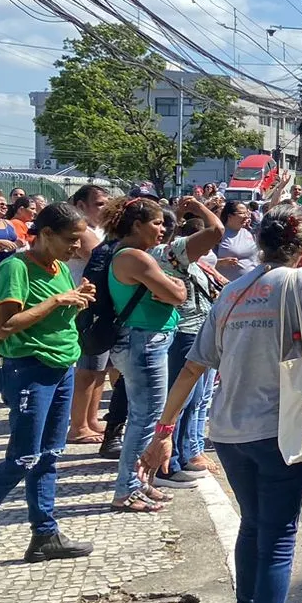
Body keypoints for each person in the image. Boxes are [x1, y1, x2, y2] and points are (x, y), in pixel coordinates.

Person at [142, 205, 302, 603]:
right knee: (279, 535)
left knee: (252, 525)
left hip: (227, 431)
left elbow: (193, 367)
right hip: (279, 429)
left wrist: (164, 430)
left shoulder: (231, 291)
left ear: (260, 244)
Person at [0, 203, 96, 562]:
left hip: (61, 368)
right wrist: (57, 301)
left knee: (49, 456)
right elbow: (5, 326)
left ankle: (45, 535)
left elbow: (55, 315)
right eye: (71, 240)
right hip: (29, 369)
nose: (76, 247)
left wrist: (77, 299)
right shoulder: (16, 267)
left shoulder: (59, 268)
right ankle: (44, 533)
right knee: (22, 458)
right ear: (47, 234)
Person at [104, 197, 190, 514]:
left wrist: (173, 287)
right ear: (137, 225)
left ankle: (140, 482)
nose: (163, 228)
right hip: (143, 341)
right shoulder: (135, 258)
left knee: (146, 415)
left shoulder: (132, 256)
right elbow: (177, 294)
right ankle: (126, 488)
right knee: (144, 418)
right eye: (156, 222)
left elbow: (173, 293)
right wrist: (175, 285)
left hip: (146, 339)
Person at [153, 202, 227, 489]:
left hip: (197, 331)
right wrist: (197, 206)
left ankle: (183, 456)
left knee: (195, 400)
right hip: (185, 332)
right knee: (181, 401)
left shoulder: (179, 259)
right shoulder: (168, 254)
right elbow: (216, 230)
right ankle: (166, 466)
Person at [66, 185, 111, 445]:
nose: (104, 209)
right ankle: (78, 425)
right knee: (86, 369)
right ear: (81, 205)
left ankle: (91, 419)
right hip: (82, 303)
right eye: (99, 204)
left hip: (97, 301)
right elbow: (101, 252)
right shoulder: (80, 229)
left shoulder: (97, 229)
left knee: (99, 369)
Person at [213, 201, 259, 277]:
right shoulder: (218, 235)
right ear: (229, 216)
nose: (246, 216)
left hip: (252, 283)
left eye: (247, 213)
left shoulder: (247, 233)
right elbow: (205, 261)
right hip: (228, 285)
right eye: (241, 213)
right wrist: (221, 262)